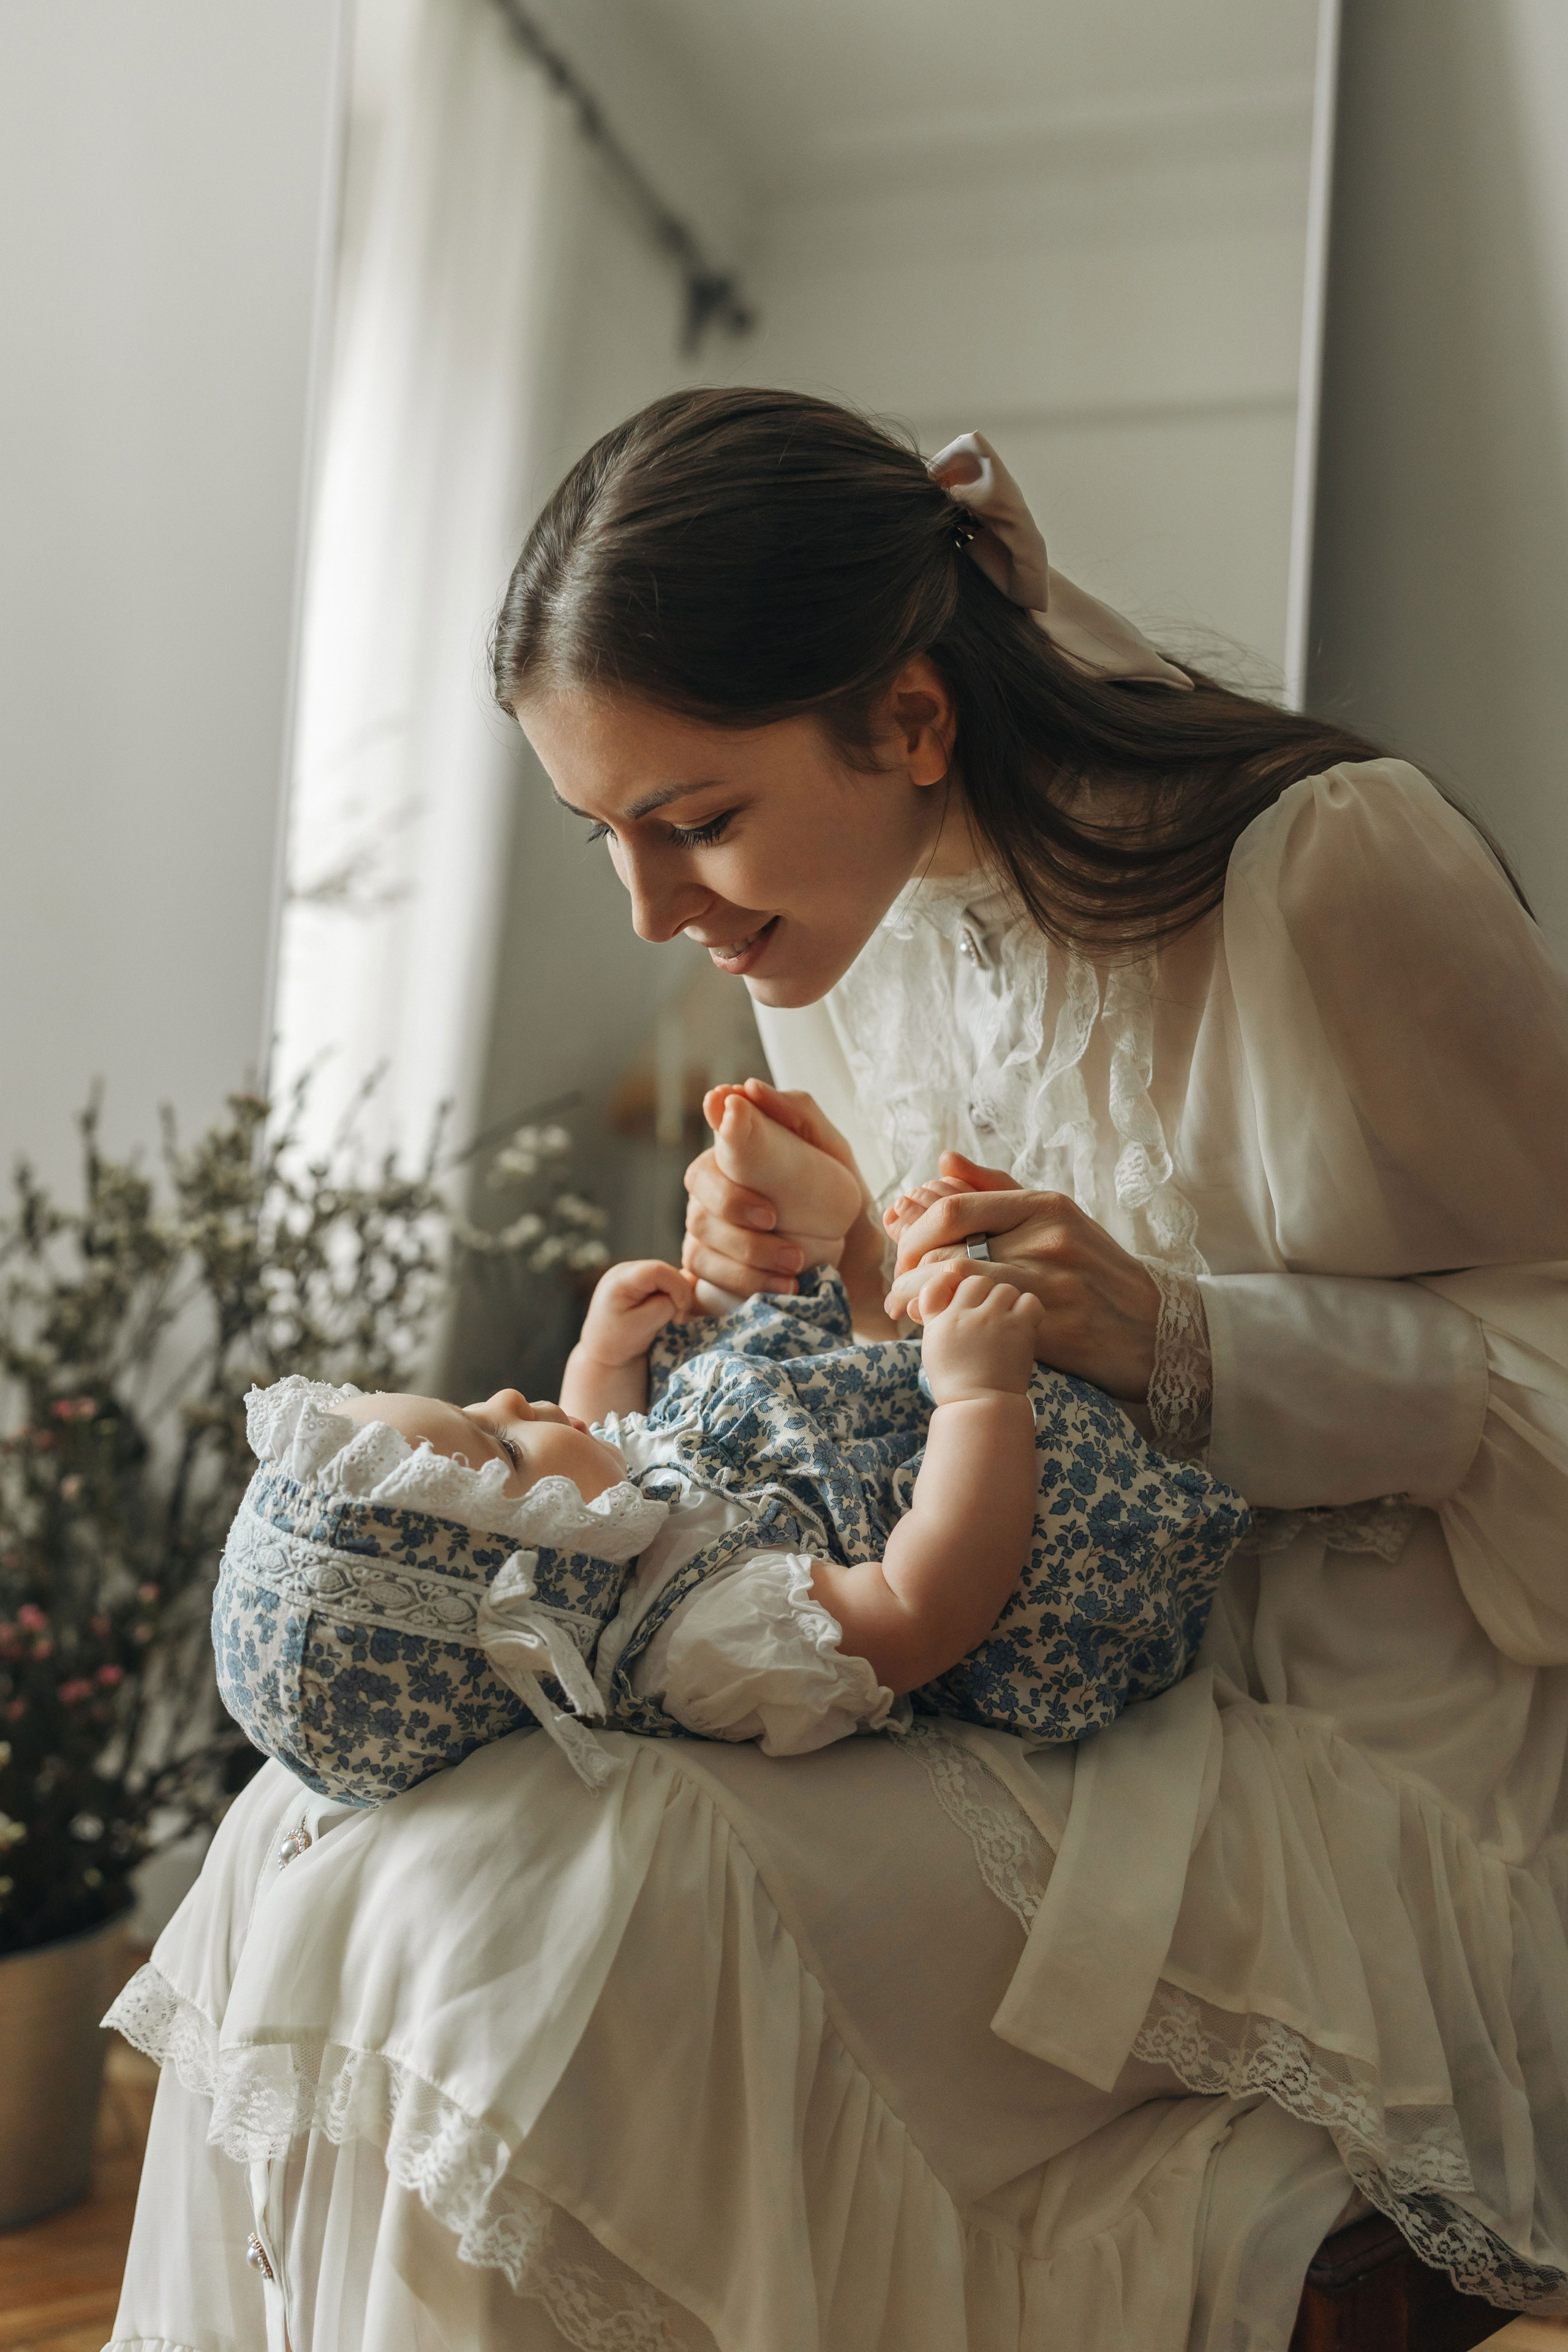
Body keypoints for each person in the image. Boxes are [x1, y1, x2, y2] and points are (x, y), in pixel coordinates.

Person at [105, 391, 1568, 2350]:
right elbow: (951, 1404)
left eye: (693, 821)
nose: (654, 909)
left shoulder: (1329, 872)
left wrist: (1181, 1338)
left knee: (535, 1915)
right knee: (329, 1840)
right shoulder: (846, 928)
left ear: (914, 719)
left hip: (1352, 1765)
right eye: (605, 833)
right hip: (1002, 1688)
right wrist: (837, 1269)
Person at [213, 1100, 1243, 1803]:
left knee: (713, 1384)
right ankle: (886, 1287)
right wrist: (981, 1395)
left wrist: (604, 1354)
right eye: (496, 1441)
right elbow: (922, 1610)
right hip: (1002, 1523)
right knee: (836, 1386)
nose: (509, 1396)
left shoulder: (591, 1551)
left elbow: (608, 1444)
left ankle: (831, 1248)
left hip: (825, 1439)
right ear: (523, 1603)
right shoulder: (701, 1645)